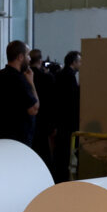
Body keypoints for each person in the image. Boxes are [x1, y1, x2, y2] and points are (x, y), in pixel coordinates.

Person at [0, 40, 39, 146]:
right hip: (21, 137)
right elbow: (34, 109)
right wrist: (31, 83)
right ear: (20, 57)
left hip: (4, 133)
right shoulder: (20, 80)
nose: (30, 58)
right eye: (28, 55)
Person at [52, 50, 82, 182]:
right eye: (80, 61)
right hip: (69, 120)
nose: (81, 64)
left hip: (60, 119)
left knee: (60, 152)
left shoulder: (58, 74)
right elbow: (73, 100)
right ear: (74, 62)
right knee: (67, 151)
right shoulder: (70, 77)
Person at [29, 49, 58, 167]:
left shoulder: (24, 76)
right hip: (45, 120)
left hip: (29, 120)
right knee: (44, 153)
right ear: (40, 60)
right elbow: (53, 101)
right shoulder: (47, 78)